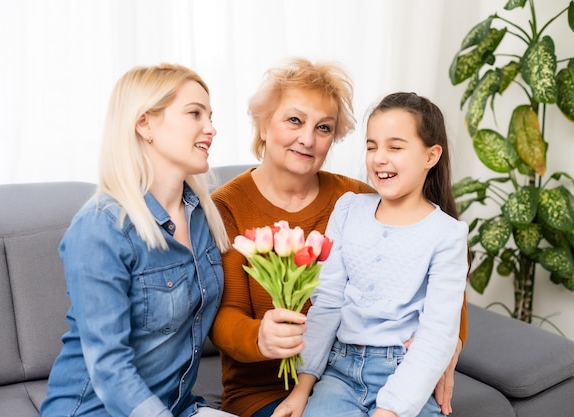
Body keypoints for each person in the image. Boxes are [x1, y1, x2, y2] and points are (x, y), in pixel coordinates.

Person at [209, 58, 467, 417]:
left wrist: (448, 343)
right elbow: (219, 316)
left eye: (324, 127)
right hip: (268, 387)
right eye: (295, 120)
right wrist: (258, 337)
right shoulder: (225, 207)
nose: (307, 138)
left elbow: (434, 282)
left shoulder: (357, 198)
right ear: (264, 124)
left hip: (381, 373)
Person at [40, 63, 236, 417]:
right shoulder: (102, 226)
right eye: (195, 113)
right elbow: (108, 365)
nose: (211, 128)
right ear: (144, 124)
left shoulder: (202, 215)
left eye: (210, 115)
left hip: (178, 407)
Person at [276, 92, 469, 417]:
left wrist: (391, 410)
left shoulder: (448, 234)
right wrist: (302, 389)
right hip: (339, 373)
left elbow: (438, 333)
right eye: (371, 146)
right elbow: (328, 303)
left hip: (405, 374)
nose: (379, 158)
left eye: (395, 147)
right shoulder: (349, 209)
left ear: (431, 156)